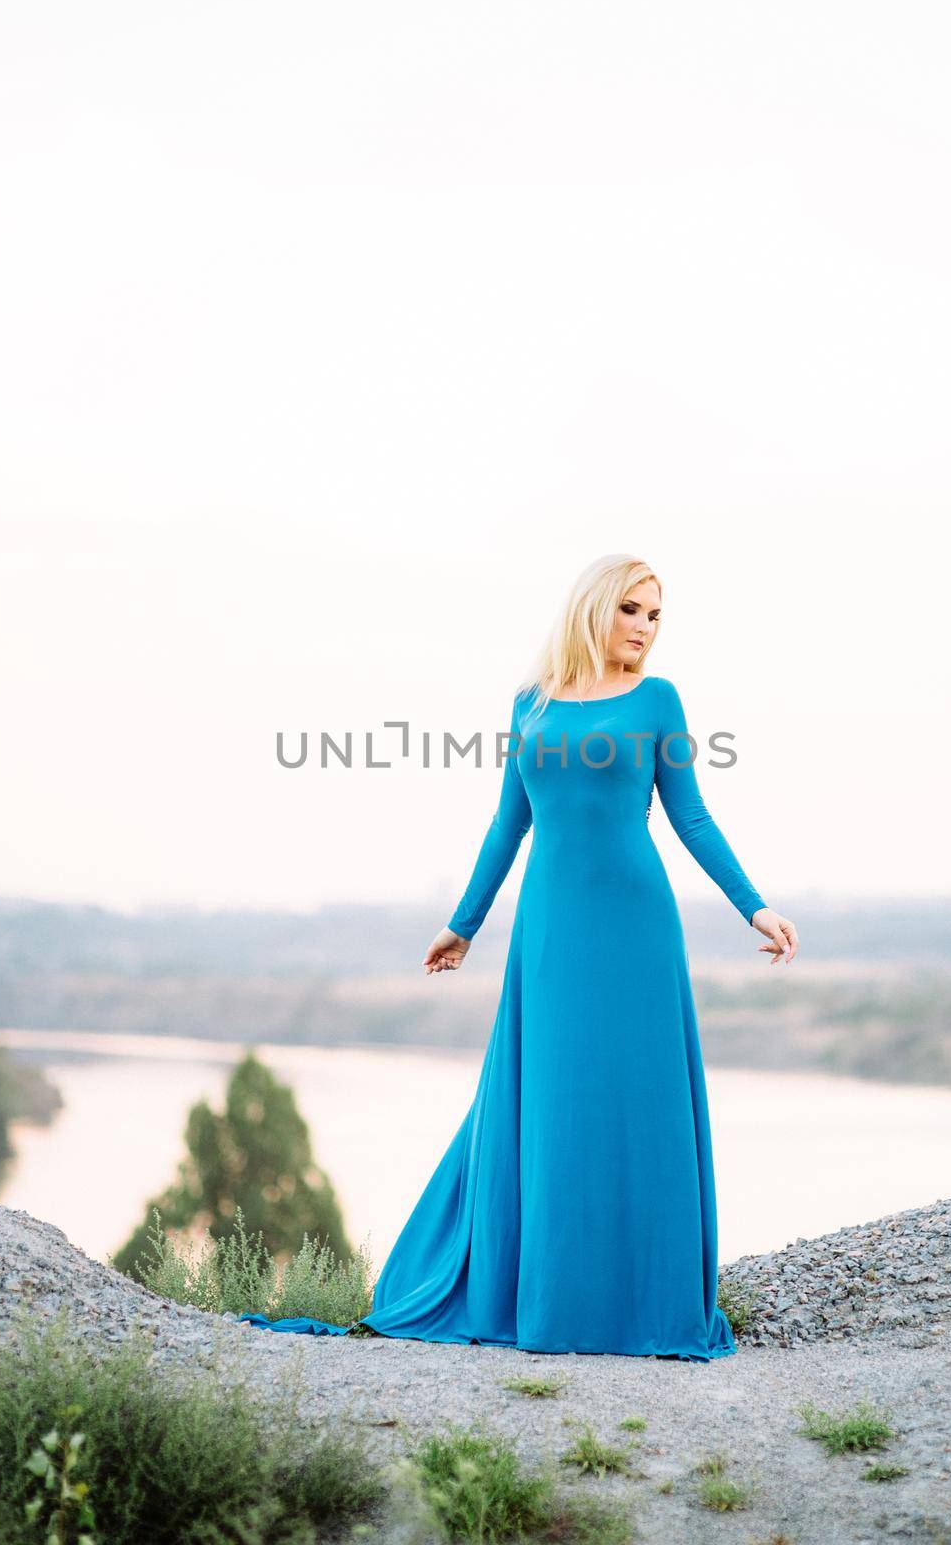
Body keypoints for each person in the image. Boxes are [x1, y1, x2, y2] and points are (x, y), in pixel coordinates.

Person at [241, 553, 798, 1357]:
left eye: (656, 617)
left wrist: (757, 906)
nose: (645, 629)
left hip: (637, 925)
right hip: (550, 929)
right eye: (632, 611)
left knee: (636, 1100)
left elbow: (693, 819)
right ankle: (555, 1298)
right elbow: (510, 823)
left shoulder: (658, 702)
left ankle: (642, 1302)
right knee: (555, 1100)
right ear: (594, 609)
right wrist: (462, 924)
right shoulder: (530, 704)